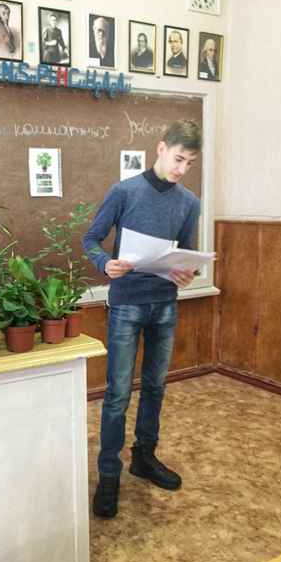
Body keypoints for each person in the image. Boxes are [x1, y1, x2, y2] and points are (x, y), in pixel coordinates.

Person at [83, 120, 202, 519]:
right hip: (127, 305)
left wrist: (188, 273)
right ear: (161, 148)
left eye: (190, 163)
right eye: (178, 158)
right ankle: (109, 474)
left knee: (155, 387)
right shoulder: (124, 192)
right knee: (118, 393)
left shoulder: (189, 202)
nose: (182, 169)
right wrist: (105, 263)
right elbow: (91, 240)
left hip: (165, 304)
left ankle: (144, 458)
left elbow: (187, 254)